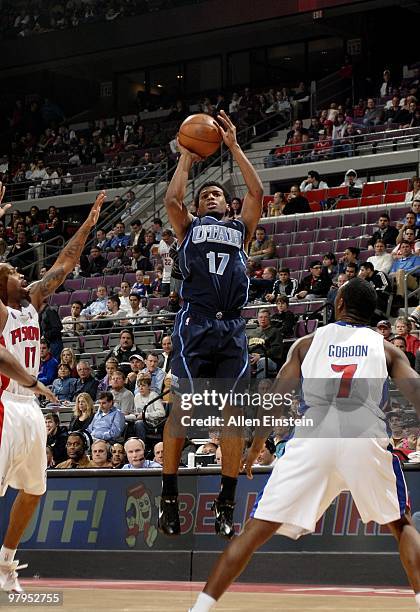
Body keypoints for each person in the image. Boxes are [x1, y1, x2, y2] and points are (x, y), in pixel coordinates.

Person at [189, 277, 420, 612]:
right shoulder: (387, 349)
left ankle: (199, 608)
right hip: (364, 435)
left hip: (314, 437)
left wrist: (255, 449)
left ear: (339, 304)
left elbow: (275, 400)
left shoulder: (307, 343)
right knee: (402, 523)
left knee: (255, 530)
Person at [159, 110, 263, 539]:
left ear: (228, 203)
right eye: (205, 197)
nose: (211, 199)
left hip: (233, 328)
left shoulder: (241, 229)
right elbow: (171, 202)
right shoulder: (188, 228)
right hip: (194, 323)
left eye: (217, 195)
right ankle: (168, 496)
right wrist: (185, 156)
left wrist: (234, 145)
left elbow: (257, 192)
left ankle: (225, 502)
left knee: (233, 417)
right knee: (182, 410)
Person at [0, 187, 106, 591]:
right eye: (14, 273)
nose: (23, 276)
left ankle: (6, 561)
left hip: (31, 407)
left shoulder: (32, 302)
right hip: (4, 403)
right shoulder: (3, 310)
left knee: (33, 490)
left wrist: (89, 225)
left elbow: (65, 262)